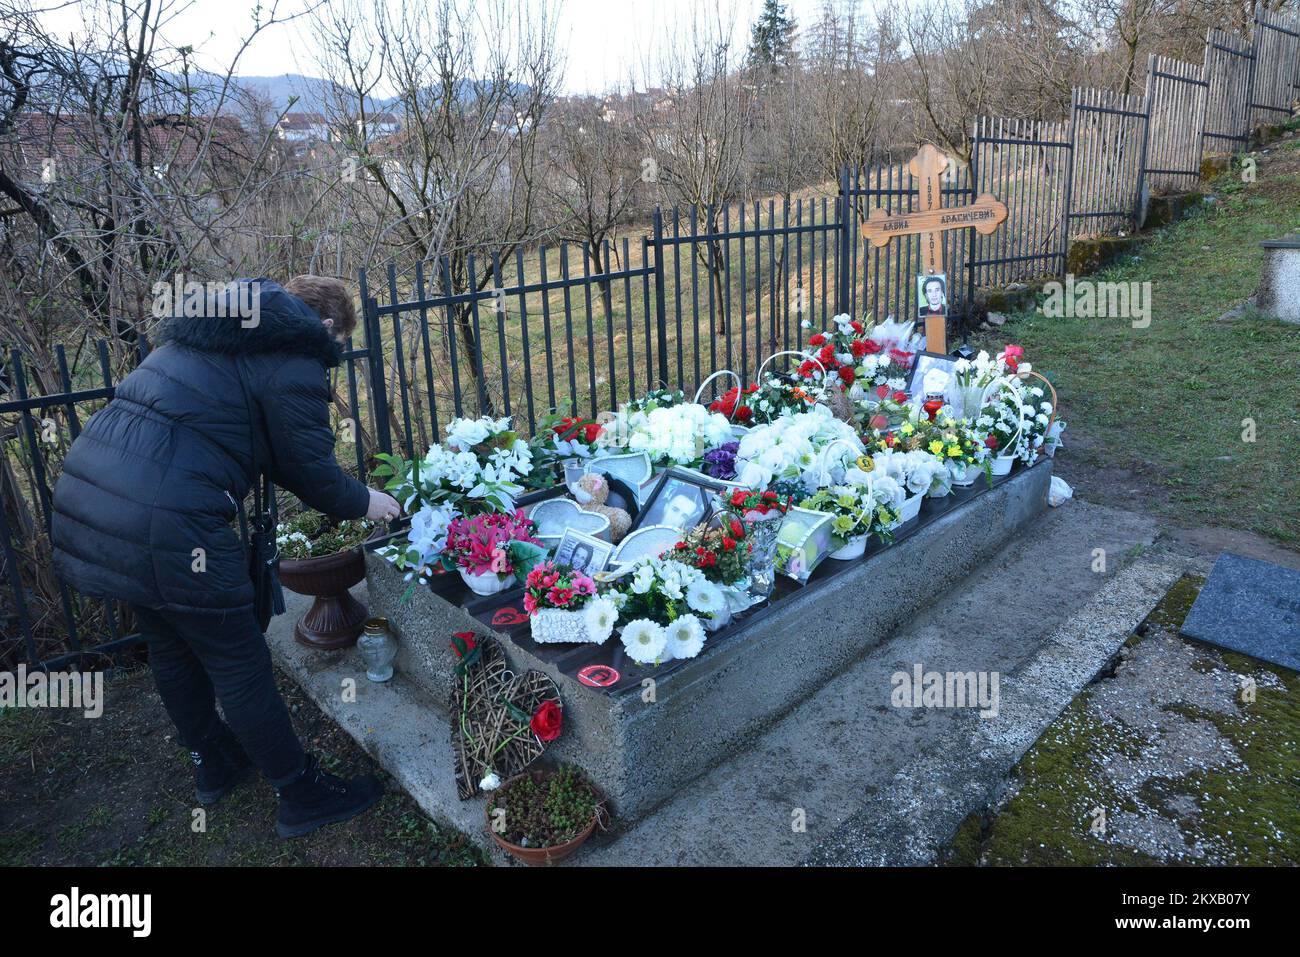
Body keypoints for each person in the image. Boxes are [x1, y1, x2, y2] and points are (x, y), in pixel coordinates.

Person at [50, 276, 403, 839]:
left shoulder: (200, 339)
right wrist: (366, 499)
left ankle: (212, 763)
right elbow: (308, 469)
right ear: (327, 328)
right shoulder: (293, 358)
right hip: (169, 522)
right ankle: (301, 792)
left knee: (169, 644)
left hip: (91, 503)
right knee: (237, 660)